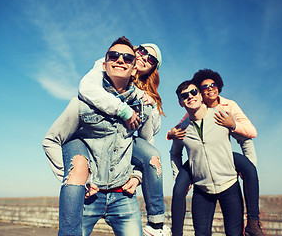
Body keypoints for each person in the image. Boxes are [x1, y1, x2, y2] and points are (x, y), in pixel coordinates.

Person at [43, 36, 153, 236]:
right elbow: (51, 140)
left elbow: (146, 147)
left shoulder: (141, 107)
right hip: (89, 197)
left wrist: (137, 177)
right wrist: (72, 177)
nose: (120, 60)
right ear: (105, 63)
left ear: (134, 67)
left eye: (128, 58)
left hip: (124, 198)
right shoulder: (81, 104)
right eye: (114, 56)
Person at [78, 42, 169, 236]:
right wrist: (124, 110)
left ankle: (156, 223)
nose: (144, 57)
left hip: (124, 141)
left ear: (153, 68)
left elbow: (148, 137)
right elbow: (86, 88)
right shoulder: (109, 63)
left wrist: (137, 176)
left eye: (151, 59)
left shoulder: (145, 93)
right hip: (96, 134)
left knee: (152, 155)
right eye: (143, 51)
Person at [169, 69, 265, 236]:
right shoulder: (181, 129)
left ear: (200, 95)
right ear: (181, 102)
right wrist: (178, 175)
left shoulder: (221, 116)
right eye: (185, 96)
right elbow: (175, 153)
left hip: (229, 185)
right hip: (201, 189)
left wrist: (250, 167)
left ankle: (254, 221)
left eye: (193, 92)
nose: (190, 96)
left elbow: (245, 139)